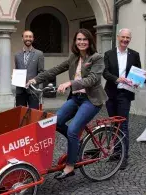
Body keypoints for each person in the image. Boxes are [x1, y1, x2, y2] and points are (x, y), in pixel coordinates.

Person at [27, 29, 107, 180]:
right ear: (75, 42)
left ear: (89, 41)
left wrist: (70, 82)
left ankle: (70, 166)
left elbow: (92, 80)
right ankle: (75, 140)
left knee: (72, 132)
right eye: (79, 39)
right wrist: (36, 79)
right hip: (76, 98)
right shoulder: (74, 58)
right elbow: (56, 70)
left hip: (91, 100)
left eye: (84, 39)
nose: (81, 42)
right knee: (55, 123)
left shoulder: (97, 58)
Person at [103, 28, 146, 170]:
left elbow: (139, 73)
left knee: (123, 125)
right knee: (113, 124)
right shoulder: (109, 54)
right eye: (123, 37)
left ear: (130, 39)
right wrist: (117, 79)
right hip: (111, 93)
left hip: (126, 94)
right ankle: (116, 153)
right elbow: (105, 72)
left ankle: (124, 156)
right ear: (118, 37)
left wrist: (144, 76)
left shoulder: (134, 55)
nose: (125, 40)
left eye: (127, 38)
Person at [14, 30, 44, 109]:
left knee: (34, 115)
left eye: (30, 37)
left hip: (33, 91)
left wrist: (39, 89)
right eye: (26, 36)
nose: (28, 38)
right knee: (20, 115)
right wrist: (14, 76)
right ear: (22, 38)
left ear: (33, 39)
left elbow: (41, 72)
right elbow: (17, 70)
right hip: (20, 91)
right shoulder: (17, 55)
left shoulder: (39, 54)